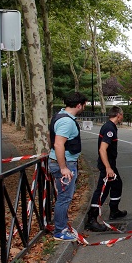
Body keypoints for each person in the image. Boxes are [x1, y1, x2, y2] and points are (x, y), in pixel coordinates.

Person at [48, 92, 88, 242]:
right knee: (64, 198)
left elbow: (52, 138)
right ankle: (60, 231)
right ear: (79, 105)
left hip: (60, 161)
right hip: (66, 164)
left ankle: (61, 226)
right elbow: (59, 143)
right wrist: (63, 167)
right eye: (84, 105)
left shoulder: (59, 116)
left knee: (63, 197)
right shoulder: (67, 122)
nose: (84, 107)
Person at [86, 106, 127, 232]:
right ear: (118, 115)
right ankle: (91, 220)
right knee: (102, 191)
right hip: (107, 165)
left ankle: (114, 211)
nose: (123, 116)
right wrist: (108, 168)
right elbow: (102, 149)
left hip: (110, 164)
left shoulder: (110, 126)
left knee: (117, 185)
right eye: (122, 114)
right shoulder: (109, 128)